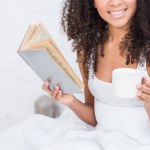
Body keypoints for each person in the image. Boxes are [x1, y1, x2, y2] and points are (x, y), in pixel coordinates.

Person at [0, 0, 150, 150]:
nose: (115, 2)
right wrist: (70, 101)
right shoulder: (88, 49)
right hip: (100, 138)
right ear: (92, 2)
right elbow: (95, 118)